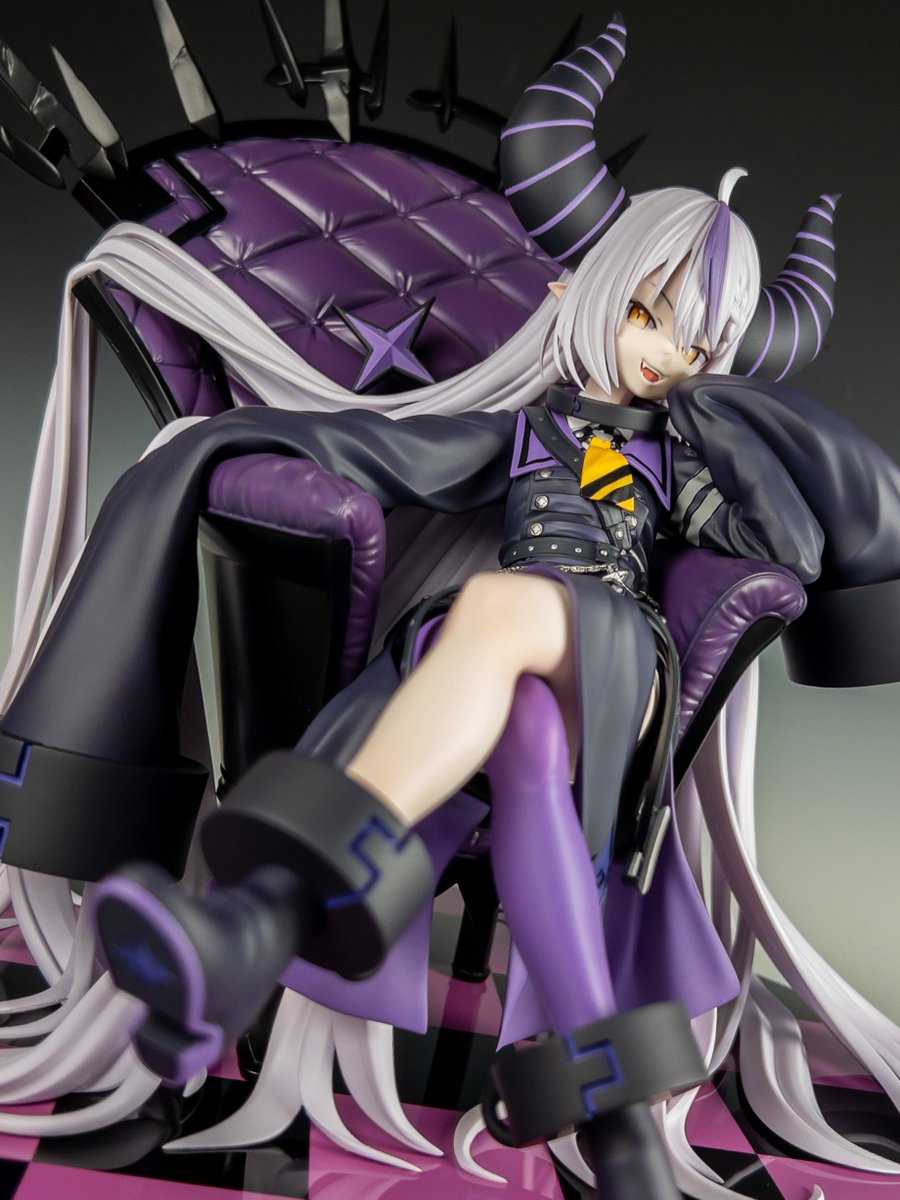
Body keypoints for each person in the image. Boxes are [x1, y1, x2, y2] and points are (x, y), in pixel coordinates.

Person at [3, 15, 900, 1198]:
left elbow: (784, 544)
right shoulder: (519, 435)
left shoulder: (680, 456)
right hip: (501, 681)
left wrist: (721, 424)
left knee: (498, 613)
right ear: (589, 291)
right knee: (516, 726)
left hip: (615, 658)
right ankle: (614, 1124)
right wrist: (215, 441)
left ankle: (264, 914)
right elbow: (377, 448)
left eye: (694, 339)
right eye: (648, 314)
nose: (659, 353)